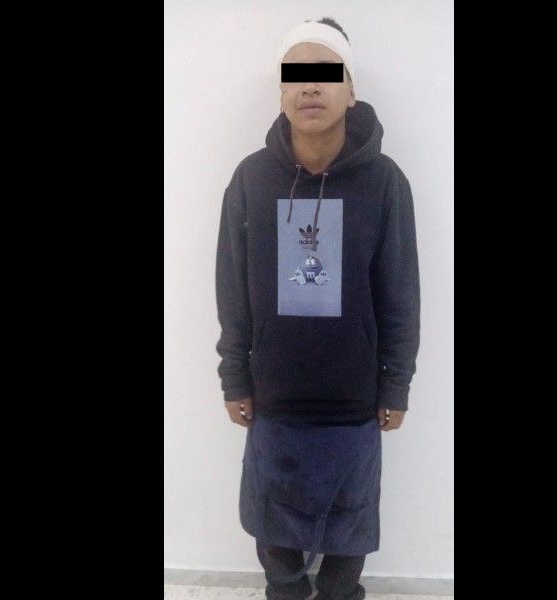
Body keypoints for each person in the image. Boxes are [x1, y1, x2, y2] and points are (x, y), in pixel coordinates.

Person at [215, 17, 421, 600]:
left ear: (350, 91)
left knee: (349, 532)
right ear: (282, 91)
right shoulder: (251, 180)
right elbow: (232, 288)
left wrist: (396, 384)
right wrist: (234, 375)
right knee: (274, 535)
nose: (311, 86)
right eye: (297, 74)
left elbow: (401, 292)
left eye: (326, 73)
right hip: (273, 398)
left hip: (354, 403)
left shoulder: (385, 183)